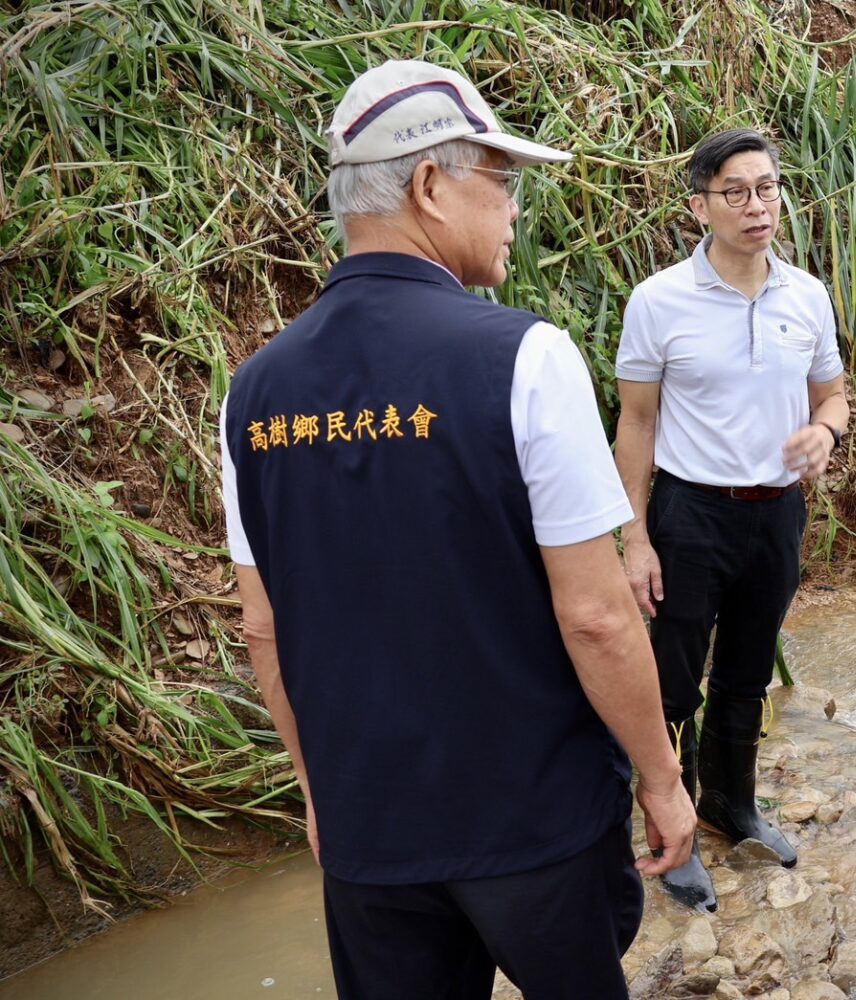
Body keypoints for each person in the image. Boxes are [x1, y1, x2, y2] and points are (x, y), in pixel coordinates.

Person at [220, 59, 694, 1000]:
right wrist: (662, 778)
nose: (515, 208)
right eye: (502, 181)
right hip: (530, 829)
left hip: (369, 838)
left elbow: (265, 629)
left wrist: (322, 797)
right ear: (430, 187)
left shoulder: (253, 392)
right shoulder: (523, 356)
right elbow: (596, 616)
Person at [613, 128, 849, 912]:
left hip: (775, 512)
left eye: (768, 187)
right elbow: (636, 425)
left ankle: (730, 803)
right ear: (700, 206)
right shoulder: (658, 302)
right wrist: (635, 537)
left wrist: (827, 432)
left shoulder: (805, 295)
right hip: (690, 513)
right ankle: (666, 834)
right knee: (673, 681)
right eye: (737, 191)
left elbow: (833, 396)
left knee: (746, 672)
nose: (758, 206)